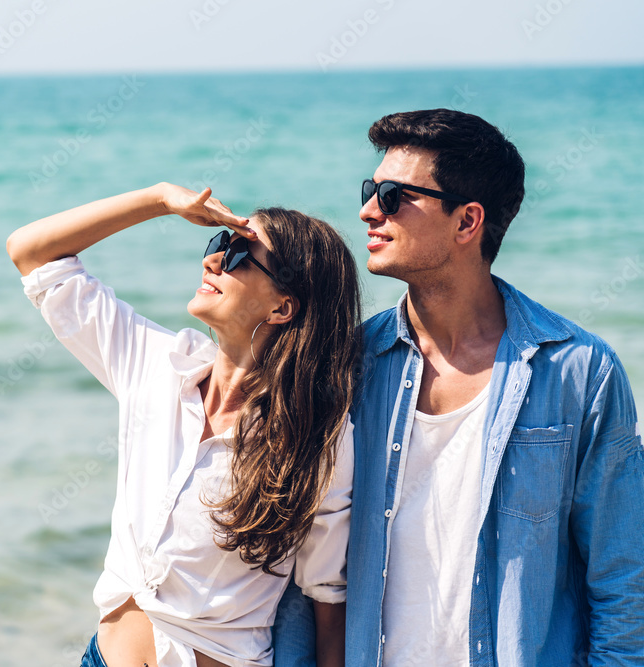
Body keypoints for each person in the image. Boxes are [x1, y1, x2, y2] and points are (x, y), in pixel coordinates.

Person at [273, 108, 644, 665]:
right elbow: (305, 576)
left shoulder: (579, 372)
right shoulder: (345, 367)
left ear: (468, 221)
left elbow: (622, 582)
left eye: (394, 196)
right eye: (371, 189)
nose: (368, 210)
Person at [6, 182, 362, 667]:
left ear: (283, 307)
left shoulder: (317, 437)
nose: (212, 261)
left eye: (239, 256)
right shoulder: (157, 365)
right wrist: (159, 201)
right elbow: (32, 253)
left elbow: (326, 595)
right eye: (219, 244)